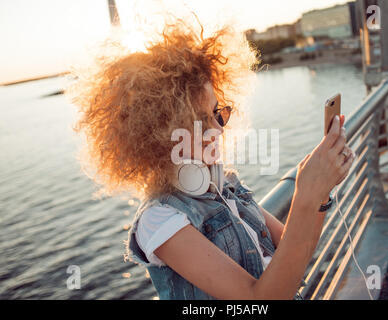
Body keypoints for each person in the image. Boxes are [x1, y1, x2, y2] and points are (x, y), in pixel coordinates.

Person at [68, 17, 354, 300]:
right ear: (158, 137)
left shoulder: (225, 185)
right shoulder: (159, 220)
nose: (218, 128)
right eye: (201, 121)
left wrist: (320, 188)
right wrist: (307, 193)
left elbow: (295, 249)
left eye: (219, 113)